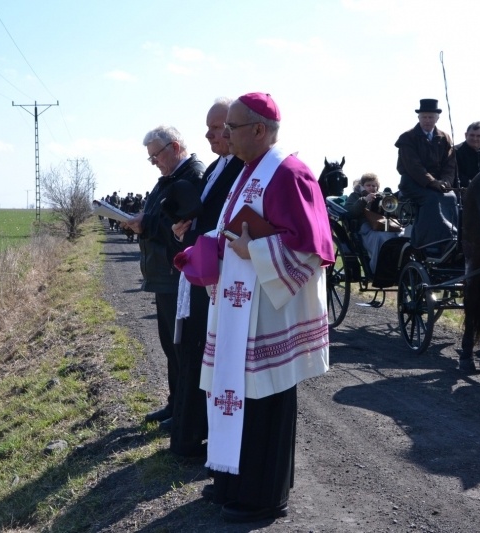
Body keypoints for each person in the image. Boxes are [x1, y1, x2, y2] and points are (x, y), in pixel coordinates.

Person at [198, 92, 333, 523]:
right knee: (233, 393)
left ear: (259, 130)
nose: (224, 135)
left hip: (267, 311)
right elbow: (233, 227)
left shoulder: (289, 173)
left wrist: (252, 250)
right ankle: (232, 481)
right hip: (240, 303)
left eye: (231, 127)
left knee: (265, 400)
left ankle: (265, 497)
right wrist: (210, 250)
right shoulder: (247, 171)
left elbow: (309, 248)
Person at [168, 98, 245, 458]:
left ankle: (202, 438)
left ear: (233, 128)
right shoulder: (216, 167)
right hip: (201, 270)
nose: (209, 134)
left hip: (220, 278)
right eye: (210, 128)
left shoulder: (243, 169)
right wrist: (183, 229)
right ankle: (187, 434)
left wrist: (198, 233)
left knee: (207, 357)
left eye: (215, 128)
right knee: (191, 353)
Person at [121, 126, 205, 429]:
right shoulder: (169, 179)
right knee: (171, 346)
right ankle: (174, 404)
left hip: (178, 274)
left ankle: (185, 413)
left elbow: (181, 228)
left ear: (175, 147)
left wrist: (146, 224)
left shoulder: (192, 177)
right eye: (151, 157)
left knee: (183, 348)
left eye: (156, 155)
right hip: (165, 274)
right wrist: (145, 221)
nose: (154, 162)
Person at [395, 98, 458, 259]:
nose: (427, 120)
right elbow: (413, 167)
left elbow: (450, 164)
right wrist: (432, 182)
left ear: (437, 118)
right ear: (419, 118)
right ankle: (428, 243)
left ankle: (452, 239)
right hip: (412, 182)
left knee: (451, 197)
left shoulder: (444, 138)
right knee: (431, 199)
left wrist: (446, 181)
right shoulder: (407, 138)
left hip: (438, 184)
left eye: (431, 117)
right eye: (424, 117)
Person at [345, 172, 402, 276]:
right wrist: (364, 200)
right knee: (381, 238)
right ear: (362, 186)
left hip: (383, 226)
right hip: (365, 229)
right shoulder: (355, 195)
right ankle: (378, 270)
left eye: (374, 186)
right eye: (368, 185)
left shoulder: (381, 197)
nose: (371, 188)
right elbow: (350, 212)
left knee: (400, 236)